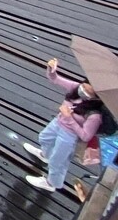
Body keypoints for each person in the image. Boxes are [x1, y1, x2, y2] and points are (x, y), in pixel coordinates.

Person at [24, 57, 114, 192]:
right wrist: (51, 69)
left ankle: (51, 184)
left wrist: (69, 118)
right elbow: (55, 79)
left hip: (69, 135)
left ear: (95, 96)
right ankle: (45, 156)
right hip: (57, 123)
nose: (82, 89)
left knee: (58, 162)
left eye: (87, 90)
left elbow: (85, 136)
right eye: (84, 84)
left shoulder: (94, 115)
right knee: (43, 138)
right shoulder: (77, 89)